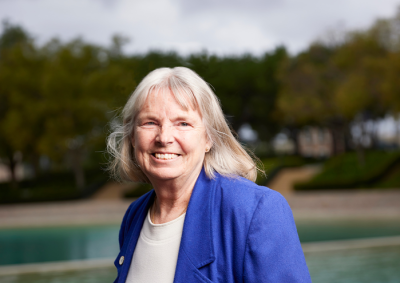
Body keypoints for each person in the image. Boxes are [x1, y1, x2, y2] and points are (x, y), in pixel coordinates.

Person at [107, 67, 311, 283]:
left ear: (208, 138)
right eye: (150, 122)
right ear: (131, 137)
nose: (164, 137)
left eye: (183, 123)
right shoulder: (135, 215)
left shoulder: (255, 211)